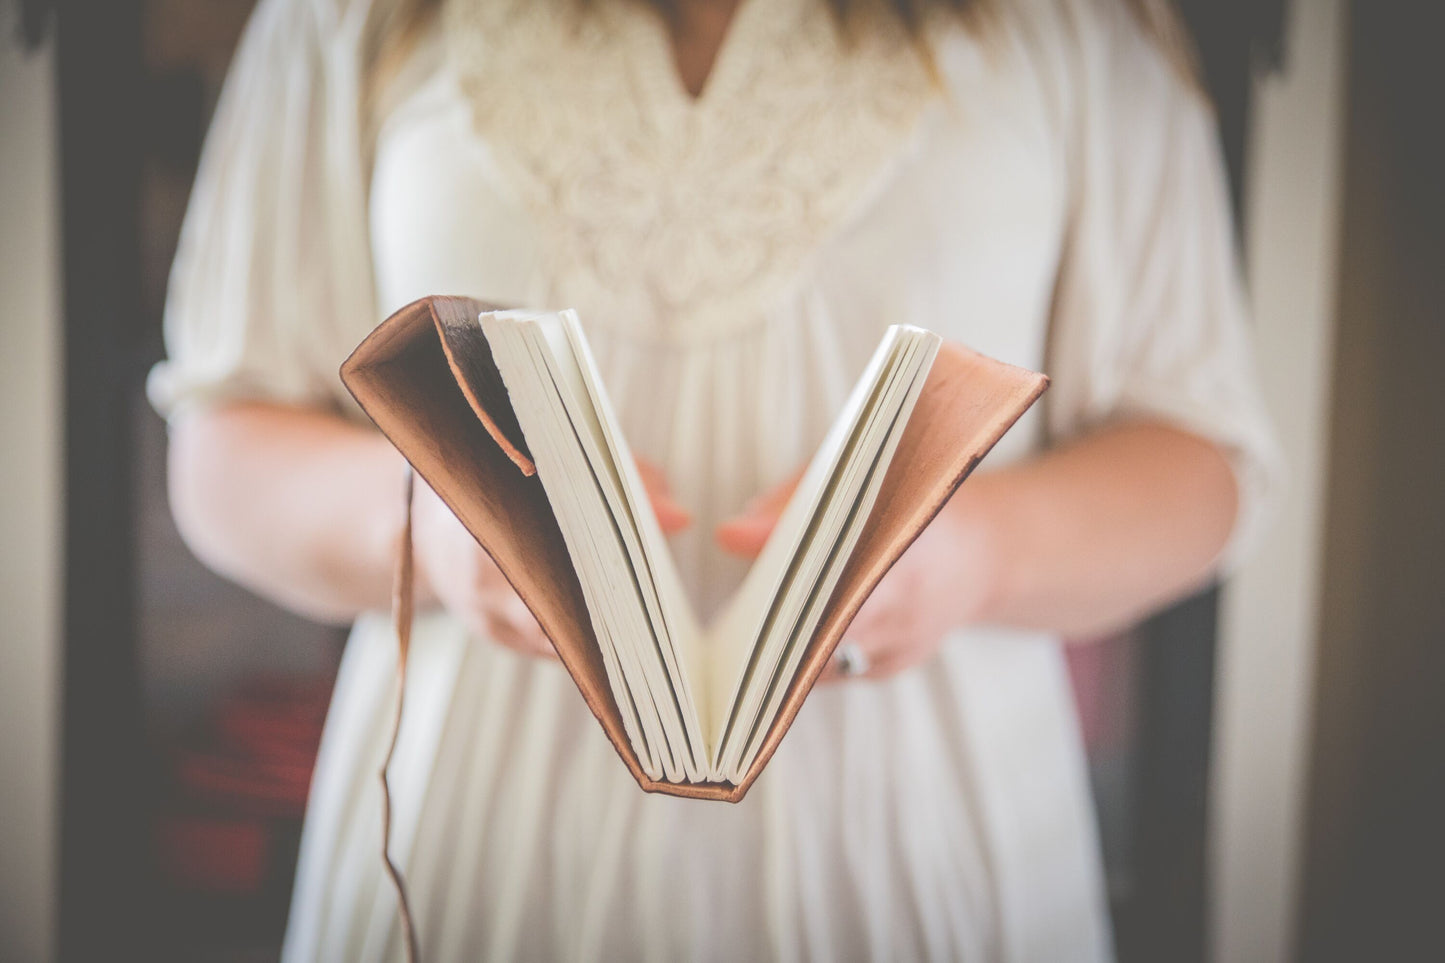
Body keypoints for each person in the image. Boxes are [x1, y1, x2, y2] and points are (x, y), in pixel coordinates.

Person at [152, 0, 1280, 958]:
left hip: (927, 860)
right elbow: (225, 449)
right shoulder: (352, 17)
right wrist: (444, 531)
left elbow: (1196, 459)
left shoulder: (1079, 25)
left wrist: (977, 552)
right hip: (470, 856)